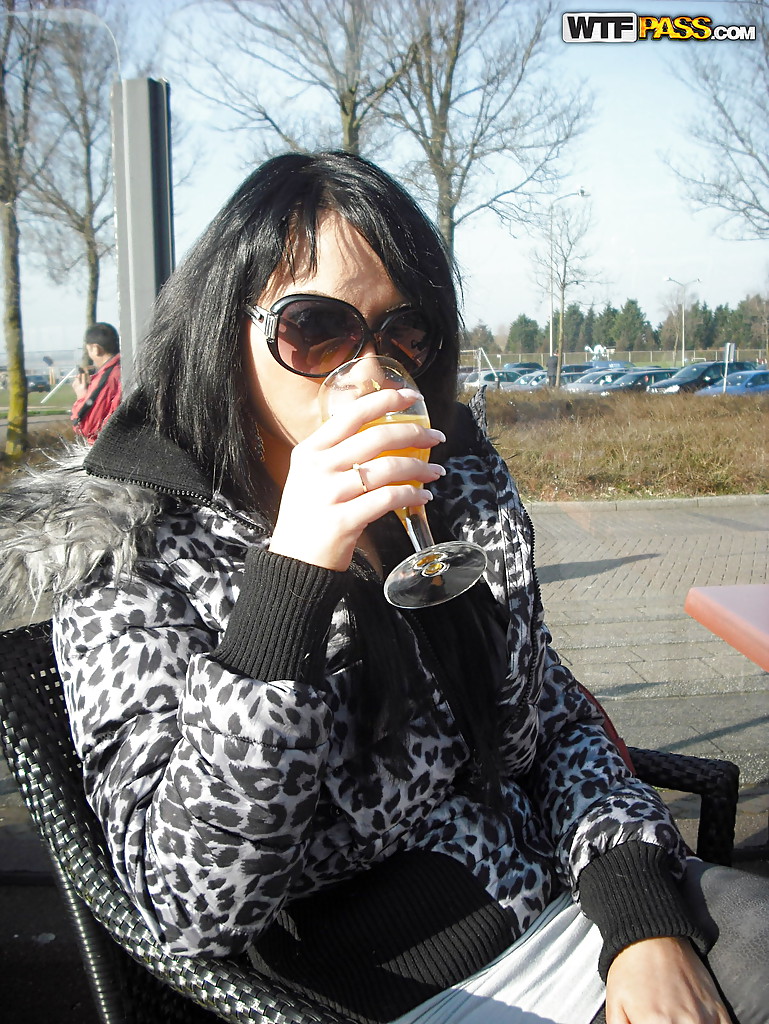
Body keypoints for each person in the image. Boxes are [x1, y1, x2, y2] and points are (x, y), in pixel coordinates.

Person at [1, 152, 767, 1024]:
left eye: (403, 334)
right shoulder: (127, 551)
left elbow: (551, 722)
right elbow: (191, 904)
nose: (369, 372)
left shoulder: (453, 487)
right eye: (316, 328)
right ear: (226, 329)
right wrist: (291, 579)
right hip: (368, 992)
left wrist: (641, 920)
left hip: (561, 897)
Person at [70, 321, 121, 442]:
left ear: (96, 349)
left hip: (110, 446)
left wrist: (81, 397)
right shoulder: (122, 368)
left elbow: (86, 427)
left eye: (88, 350)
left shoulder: (108, 377)